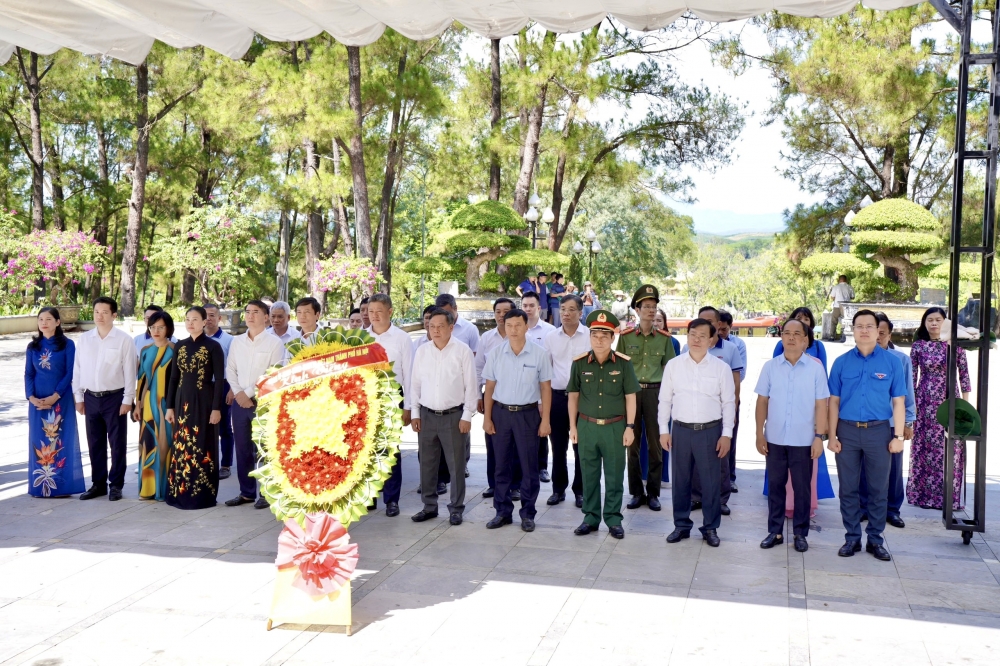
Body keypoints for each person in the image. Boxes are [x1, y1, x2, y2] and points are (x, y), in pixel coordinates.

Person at [828, 309, 907, 561]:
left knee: (878, 489)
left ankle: (875, 539)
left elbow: (899, 402)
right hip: (847, 431)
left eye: (869, 326)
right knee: (848, 488)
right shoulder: (841, 362)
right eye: (859, 326)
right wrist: (832, 435)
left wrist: (898, 436)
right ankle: (851, 538)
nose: (864, 330)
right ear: (852, 329)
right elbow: (833, 402)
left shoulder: (892, 362)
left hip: (879, 432)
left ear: (878, 330)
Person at [755, 318, 829, 553]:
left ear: (806, 340)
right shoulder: (770, 367)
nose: (791, 337)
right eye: (786, 333)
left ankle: (800, 533)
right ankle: (774, 532)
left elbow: (821, 405)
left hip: (803, 440)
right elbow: (762, 401)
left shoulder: (816, 368)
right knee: (776, 486)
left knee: (802, 489)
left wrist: (819, 436)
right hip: (775, 438)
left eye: (797, 334)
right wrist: (759, 433)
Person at [660, 317, 735, 548]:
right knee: (680, 481)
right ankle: (681, 525)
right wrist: (664, 429)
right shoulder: (674, 365)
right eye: (693, 334)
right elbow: (665, 400)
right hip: (681, 430)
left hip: (710, 431)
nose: (697, 339)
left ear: (712, 340)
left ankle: (710, 527)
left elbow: (729, 403)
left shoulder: (721, 368)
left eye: (703, 335)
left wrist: (727, 434)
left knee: (711, 482)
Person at [568, 310, 638, 539]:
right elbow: (573, 397)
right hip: (587, 426)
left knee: (615, 475)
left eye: (604, 336)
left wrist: (630, 427)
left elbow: (630, 397)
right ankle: (590, 518)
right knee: (588, 474)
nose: (599, 340)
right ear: (589, 337)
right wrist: (573, 427)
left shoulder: (624, 364)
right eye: (595, 335)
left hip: (615, 427)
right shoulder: (579, 363)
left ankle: (614, 519)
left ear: (612, 338)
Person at [483, 308, 552, 532]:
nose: (513, 329)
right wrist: (487, 418)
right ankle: (502, 512)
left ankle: (528, 513)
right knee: (501, 465)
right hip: (501, 414)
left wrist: (545, 420)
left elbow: (545, 388)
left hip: (528, 415)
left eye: (518, 325)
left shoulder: (539, 353)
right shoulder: (495, 353)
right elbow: (489, 387)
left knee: (528, 465)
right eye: (509, 325)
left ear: (526, 326)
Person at [409, 307, 479, 525]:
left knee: (456, 465)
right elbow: (415, 383)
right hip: (427, 415)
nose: (436, 330)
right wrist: (415, 412)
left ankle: (456, 508)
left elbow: (471, 385)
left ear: (451, 327)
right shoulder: (422, 351)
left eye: (441, 326)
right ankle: (429, 506)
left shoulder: (462, 350)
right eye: (431, 326)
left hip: (454, 416)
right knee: (427, 464)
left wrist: (467, 415)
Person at [765, 306, 835, 514]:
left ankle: (804, 513)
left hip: (807, 419)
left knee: (805, 473)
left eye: (806, 320)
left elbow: (822, 389)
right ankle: (781, 514)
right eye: (798, 319)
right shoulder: (776, 358)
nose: (793, 337)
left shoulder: (817, 355)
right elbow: (764, 397)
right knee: (779, 475)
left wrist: (820, 431)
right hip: (780, 426)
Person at [907, 307, 972, 510]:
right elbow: (911, 378)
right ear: (924, 323)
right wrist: (912, 408)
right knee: (924, 449)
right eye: (930, 320)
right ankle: (922, 496)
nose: (934, 324)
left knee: (949, 448)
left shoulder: (955, 345)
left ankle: (947, 497)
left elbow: (965, 378)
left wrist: (965, 408)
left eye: (938, 320)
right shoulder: (918, 346)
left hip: (950, 401)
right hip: (924, 403)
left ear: (945, 323)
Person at [225, 300, 287, 509]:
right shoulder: (237, 342)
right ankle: (247, 492)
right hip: (240, 403)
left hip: (264, 402)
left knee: (265, 448)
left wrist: (249, 393)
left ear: (266, 317)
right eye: (248, 312)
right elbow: (230, 369)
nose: (250, 316)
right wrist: (238, 393)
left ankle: (268, 493)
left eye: (256, 312)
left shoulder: (274, 343)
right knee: (242, 448)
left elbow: (274, 373)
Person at [617, 285, 675, 512]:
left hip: (655, 393)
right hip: (631, 393)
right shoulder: (625, 337)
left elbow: (670, 370)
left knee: (656, 443)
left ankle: (653, 493)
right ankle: (635, 492)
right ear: (637, 310)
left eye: (654, 307)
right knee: (631, 443)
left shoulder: (664, 339)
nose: (651, 311)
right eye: (646, 307)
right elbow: (620, 369)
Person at [73, 297, 137, 501]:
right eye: (96, 312)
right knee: (95, 443)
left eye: (104, 312)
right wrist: (78, 396)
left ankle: (116, 484)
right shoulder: (84, 339)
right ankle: (98, 484)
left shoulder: (124, 340)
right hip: (90, 397)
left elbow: (129, 372)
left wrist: (128, 399)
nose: (99, 316)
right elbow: (78, 369)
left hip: (115, 398)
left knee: (117, 444)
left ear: (114, 315)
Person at [857, 312, 915, 528]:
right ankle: (864, 507)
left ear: (889, 334)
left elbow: (908, 393)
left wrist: (908, 423)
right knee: (863, 467)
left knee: (893, 469)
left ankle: (892, 510)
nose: (877, 336)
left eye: (882, 332)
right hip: (866, 424)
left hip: (893, 424)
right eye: (874, 331)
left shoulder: (901, 360)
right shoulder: (858, 357)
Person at [164, 307, 226, 510]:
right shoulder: (179, 346)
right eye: (188, 319)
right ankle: (179, 492)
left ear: (204, 321)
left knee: (202, 443)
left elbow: (219, 381)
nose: (190, 323)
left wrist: (216, 408)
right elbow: (173, 378)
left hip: (204, 401)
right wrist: (170, 406)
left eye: (195, 319)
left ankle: (201, 495)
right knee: (182, 445)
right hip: (182, 401)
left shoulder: (213, 346)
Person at [683, 306, 741, 516]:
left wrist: (732, 409)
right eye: (700, 320)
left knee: (721, 456)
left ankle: (721, 498)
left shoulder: (730, 349)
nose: (704, 324)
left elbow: (735, 381)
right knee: (695, 458)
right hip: (694, 412)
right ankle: (696, 496)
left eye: (709, 321)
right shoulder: (686, 348)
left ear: (717, 324)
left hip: (721, 411)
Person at [25, 307, 84, 497]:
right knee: (39, 441)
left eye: (49, 319)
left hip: (60, 400)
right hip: (37, 403)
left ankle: (60, 486)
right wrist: (31, 397)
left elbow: (70, 372)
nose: (44, 322)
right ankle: (40, 487)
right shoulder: (32, 347)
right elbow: (29, 373)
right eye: (40, 319)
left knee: (59, 439)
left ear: (58, 322)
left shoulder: (67, 345)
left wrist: (55, 395)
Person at [366, 293, 413, 517]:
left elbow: (410, 374)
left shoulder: (402, 339)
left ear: (390, 312)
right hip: (366, 398)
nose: (374, 316)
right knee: (367, 449)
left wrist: (409, 407)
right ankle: (370, 495)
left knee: (390, 449)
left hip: (394, 396)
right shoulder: (361, 337)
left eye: (379, 311)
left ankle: (392, 499)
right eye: (370, 311)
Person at [543, 294, 590, 507]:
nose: (566, 313)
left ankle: (580, 491)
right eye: (563, 309)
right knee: (558, 447)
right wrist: (542, 403)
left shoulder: (590, 336)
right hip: (558, 398)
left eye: (571, 309)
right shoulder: (551, 337)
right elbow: (544, 372)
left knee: (582, 447)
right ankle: (558, 489)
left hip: (584, 399)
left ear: (580, 313)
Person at [476, 298, 521, 501]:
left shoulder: (520, 336)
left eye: (506, 311)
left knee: (516, 444)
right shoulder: (486, 338)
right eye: (498, 312)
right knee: (493, 440)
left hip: (518, 398)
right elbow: (478, 368)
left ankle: (515, 486)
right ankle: (494, 484)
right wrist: (479, 395)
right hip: (492, 396)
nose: (501, 315)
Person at [133, 311, 175, 501]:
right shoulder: (145, 351)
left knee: (166, 443)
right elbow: (141, 379)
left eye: (160, 327)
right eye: (152, 327)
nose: (156, 331)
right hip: (148, 404)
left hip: (167, 405)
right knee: (148, 443)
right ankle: (148, 489)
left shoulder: (176, 350)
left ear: (168, 329)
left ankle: (165, 489)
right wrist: (137, 405)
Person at [520, 291, 555, 482]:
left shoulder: (549, 331)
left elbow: (549, 363)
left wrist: (543, 398)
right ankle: (526, 467)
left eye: (531, 305)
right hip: (522, 389)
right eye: (525, 305)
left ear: (539, 308)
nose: (528, 309)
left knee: (542, 428)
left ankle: (542, 467)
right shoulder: (517, 329)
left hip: (541, 388)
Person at [203, 304, 235, 481]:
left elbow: (233, 367)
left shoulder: (229, 340)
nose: (209, 319)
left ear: (219, 318)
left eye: (212, 315)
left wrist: (231, 389)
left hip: (222, 386)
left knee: (224, 427)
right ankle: (207, 461)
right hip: (202, 388)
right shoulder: (195, 339)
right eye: (206, 315)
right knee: (204, 425)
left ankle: (225, 464)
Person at [717, 311, 746, 491]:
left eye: (724, 329)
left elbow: (740, 374)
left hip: (730, 397)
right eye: (718, 328)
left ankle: (730, 477)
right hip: (709, 400)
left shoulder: (737, 345)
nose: (720, 332)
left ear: (731, 327)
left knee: (730, 437)